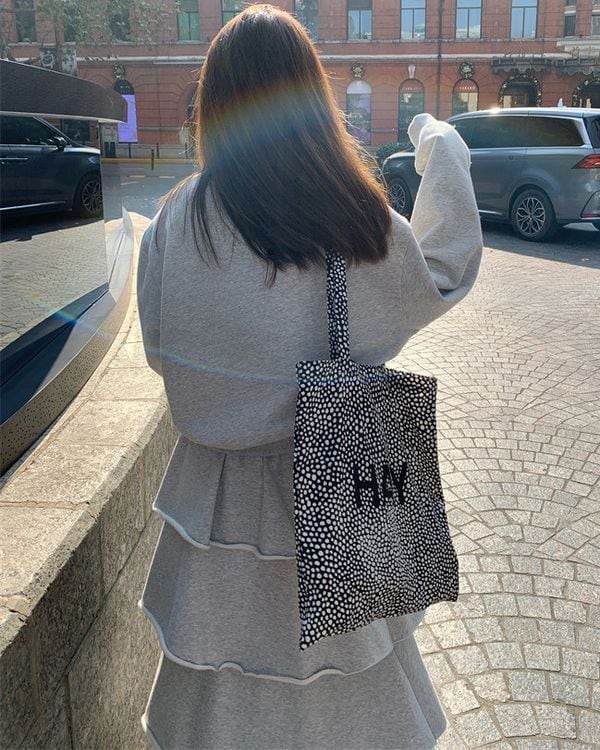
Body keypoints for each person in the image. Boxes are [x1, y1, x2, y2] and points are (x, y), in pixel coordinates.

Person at [136, 5, 482, 749]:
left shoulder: (178, 219)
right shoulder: (351, 215)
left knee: (224, 691)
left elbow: (160, 349)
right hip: (342, 487)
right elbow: (441, 273)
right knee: (351, 699)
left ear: (216, 104)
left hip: (217, 506)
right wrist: (441, 146)